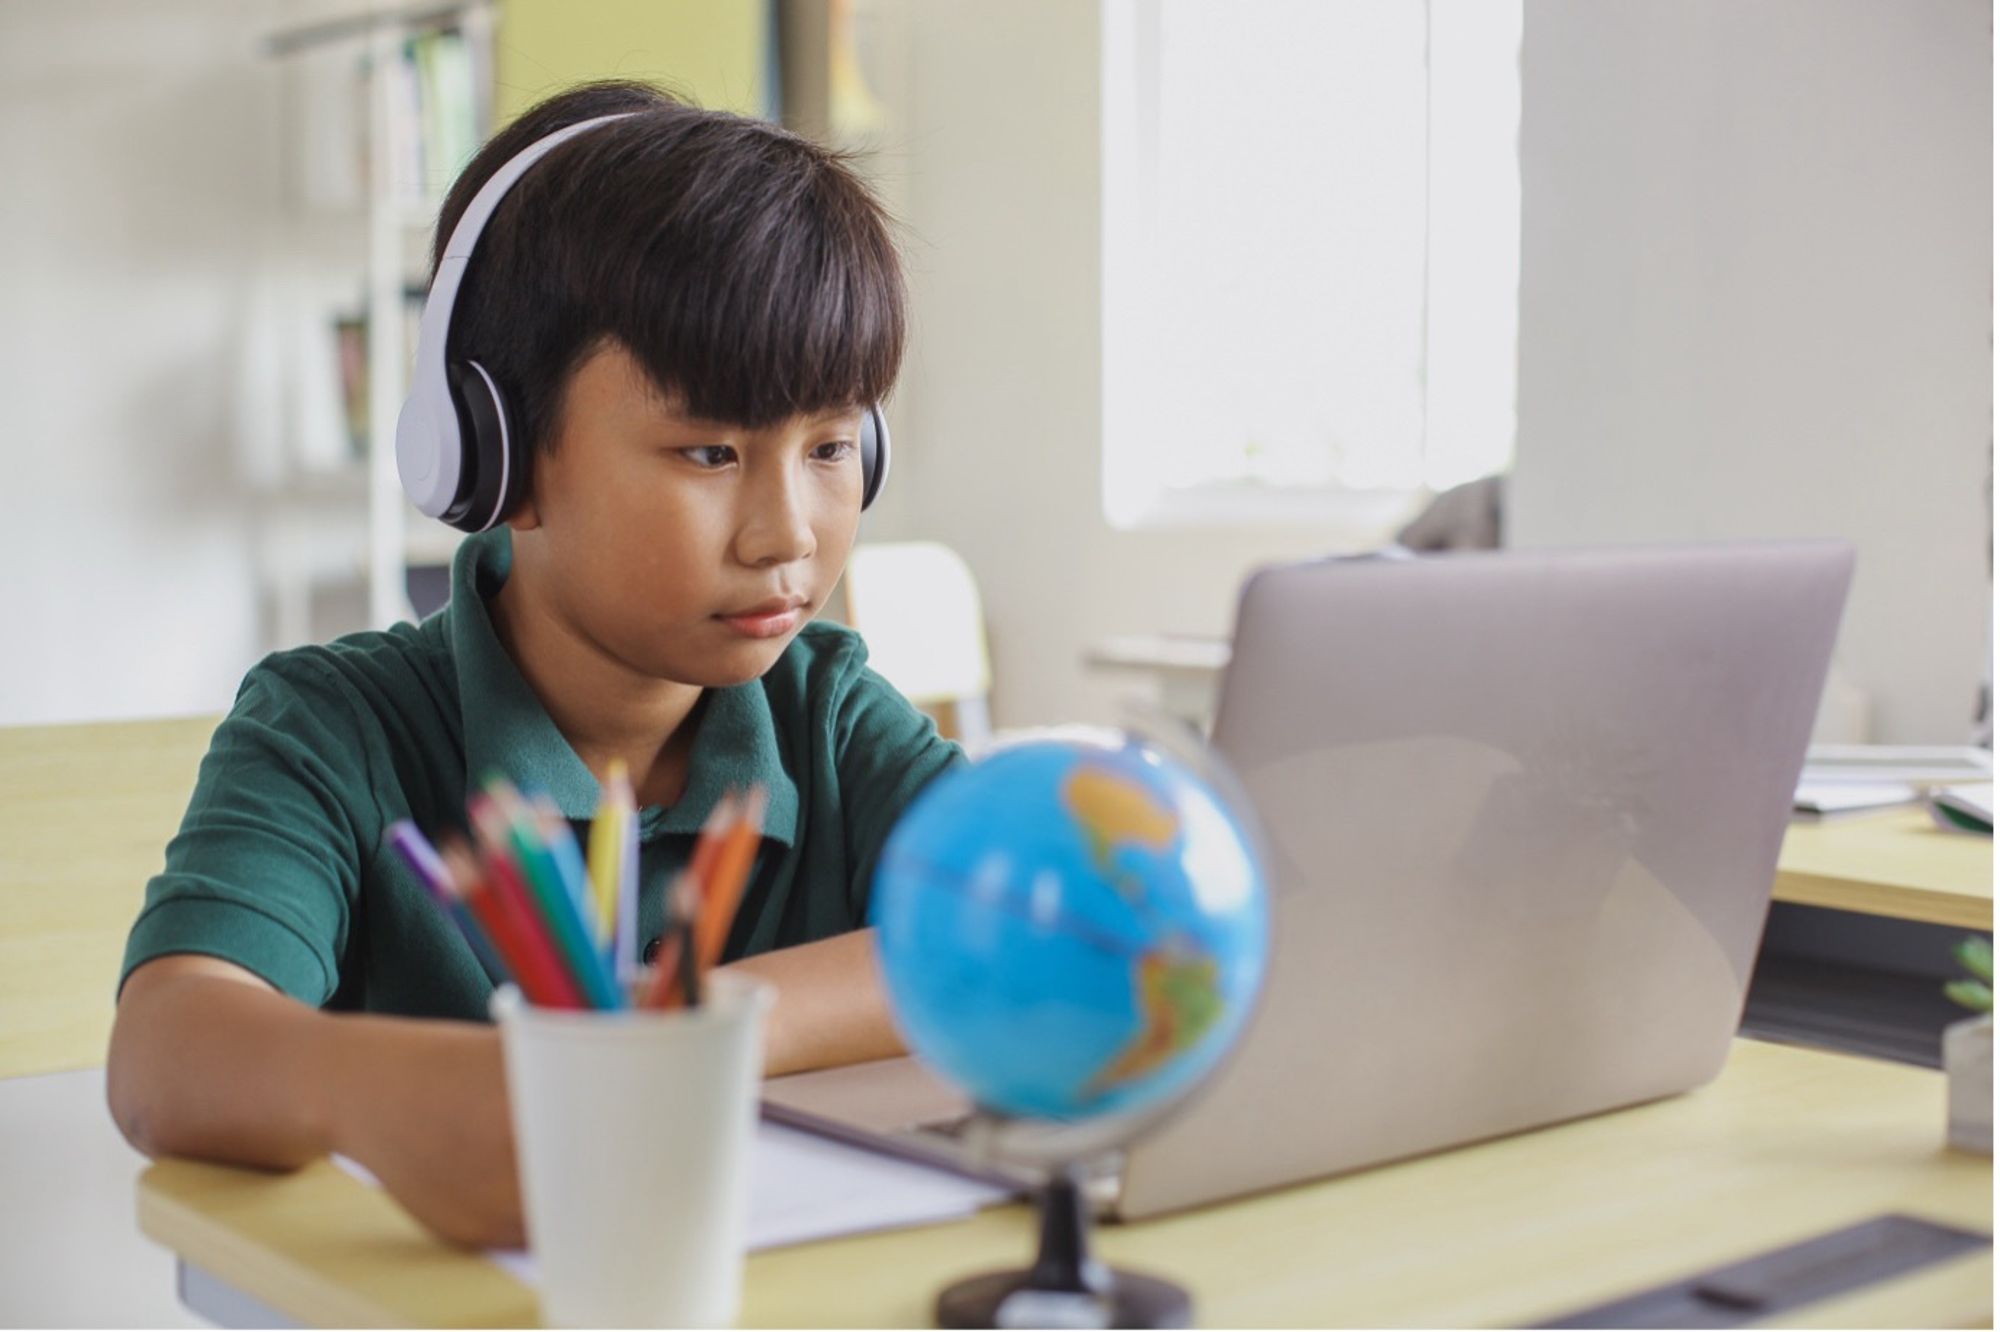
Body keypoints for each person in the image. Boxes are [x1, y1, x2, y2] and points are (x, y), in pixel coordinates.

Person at [105, 81, 960, 1248]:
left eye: (828, 446)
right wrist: (370, 1088)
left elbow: (1028, 929)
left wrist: (695, 1028)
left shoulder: (829, 712)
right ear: (490, 451)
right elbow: (166, 1049)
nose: (787, 533)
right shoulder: (333, 729)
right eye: (709, 450)